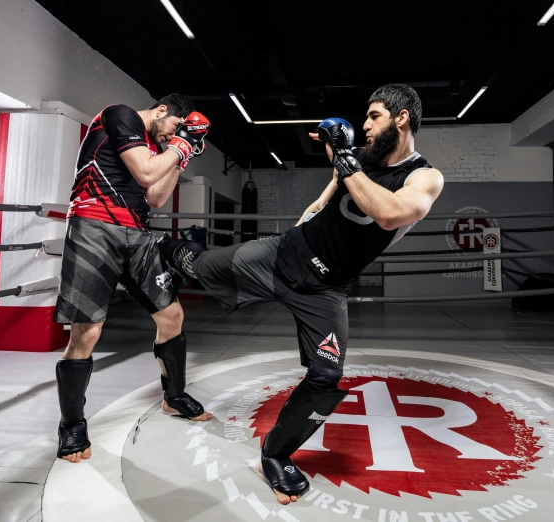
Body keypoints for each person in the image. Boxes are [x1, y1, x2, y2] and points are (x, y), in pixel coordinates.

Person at [158, 84, 444, 504]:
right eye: (364, 117)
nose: (365, 124)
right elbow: (339, 172)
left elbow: (388, 214)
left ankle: (275, 454)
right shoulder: (360, 158)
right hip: (283, 254)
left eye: (375, 116)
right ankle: (166, 251)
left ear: (402, 119)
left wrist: (344, 157)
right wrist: (323, 187)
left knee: (326, 376)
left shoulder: (424, 176)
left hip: (326, 290)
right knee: (200, 267)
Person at [53, 94, 215, 464]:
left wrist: (182, 152)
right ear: (162, 112)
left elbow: (156, 195)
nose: (172, 136)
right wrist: (181, 142)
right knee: (87, 330)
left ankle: (173, 397)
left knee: (171, 315)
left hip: (137, 233)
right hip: (94, 227)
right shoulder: (119, 114)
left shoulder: (154, 146)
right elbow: (144, 172)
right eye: (175, 126)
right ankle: (72, 424)